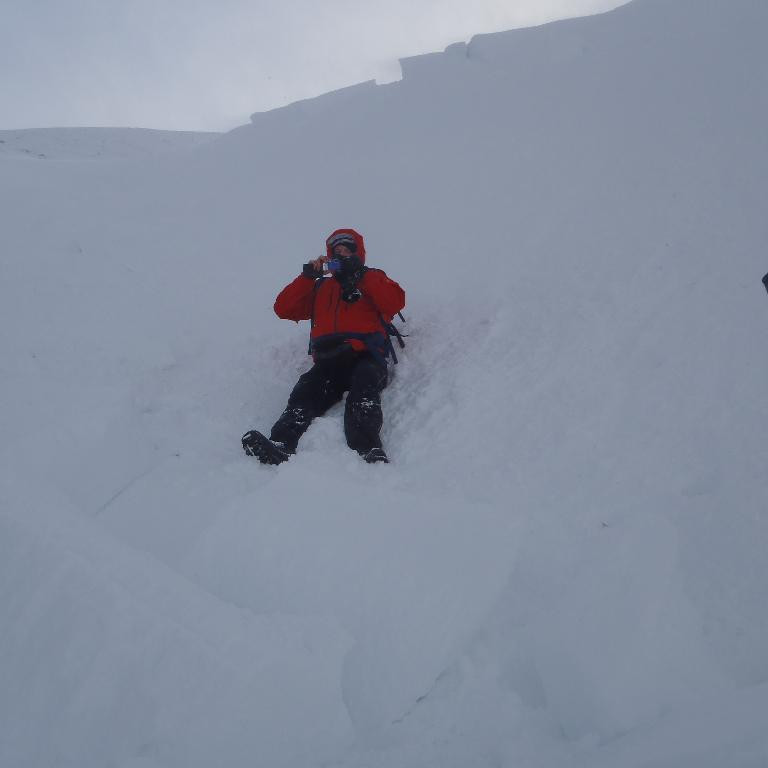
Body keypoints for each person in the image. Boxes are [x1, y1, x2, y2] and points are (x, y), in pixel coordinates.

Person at [242, 228, 406, 465]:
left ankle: (368, 447)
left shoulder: (372, 279)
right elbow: (283, 309)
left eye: (347, 251)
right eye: (336, 252)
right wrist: (307, 277)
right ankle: (281, 444)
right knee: (305, 392)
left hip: (365, 355)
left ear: (358, 253)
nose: (341, 256)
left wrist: (361, 274)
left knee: (364, 387)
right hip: (328, 361)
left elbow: (395, 301)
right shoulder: (320, 287)